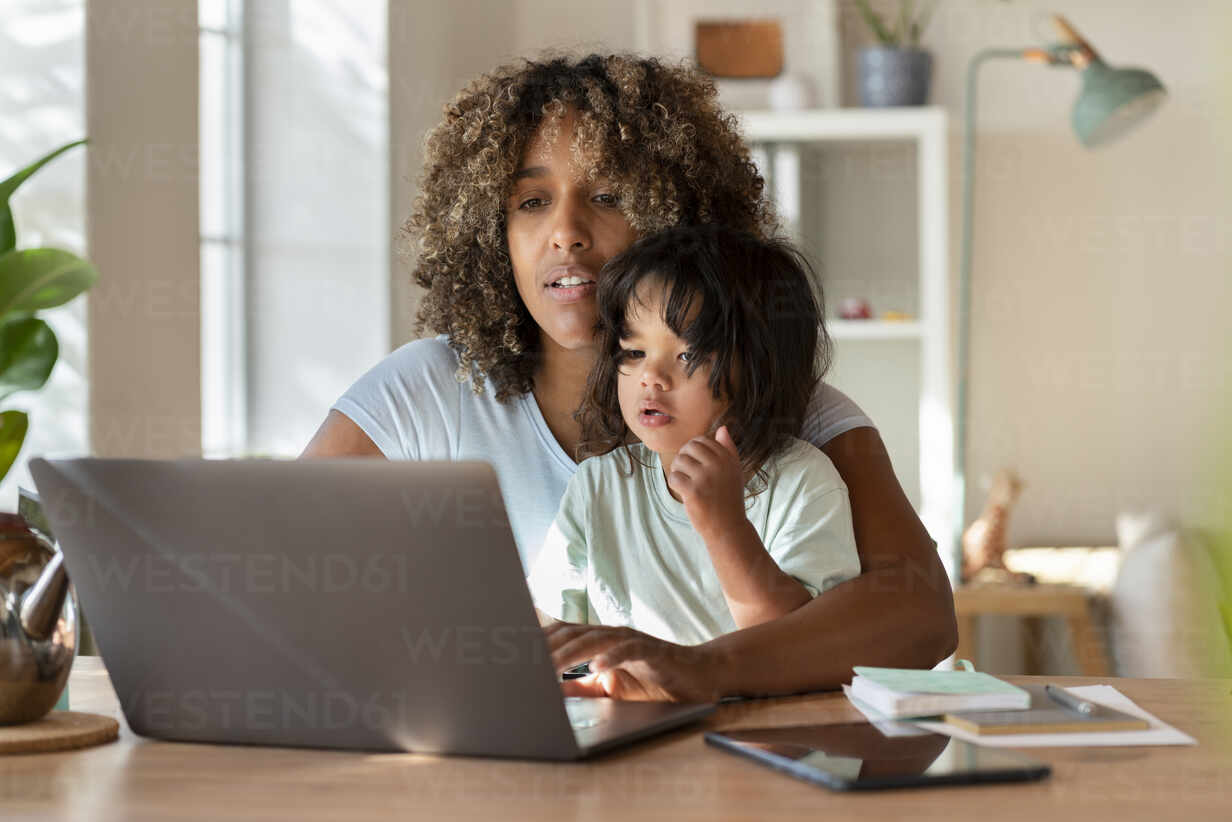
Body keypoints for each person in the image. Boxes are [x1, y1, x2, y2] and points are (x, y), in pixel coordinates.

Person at [303, 52, 957, 700]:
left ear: (679, 212)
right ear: (488, 231)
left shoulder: (786, 406)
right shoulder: (429, 387)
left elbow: (921, 619)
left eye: (608, 196)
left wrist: (707, 668)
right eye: (531, 201)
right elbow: (276, 582)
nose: (566, 233)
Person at [527, 224, 863, 647]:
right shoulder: (598, 486)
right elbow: (546, 637)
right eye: (634, 352)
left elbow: (798, 649)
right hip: (639, 712)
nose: (651, 376)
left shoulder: (803, 484)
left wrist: (724, 524)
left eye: (688, 354)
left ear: (761, 366)